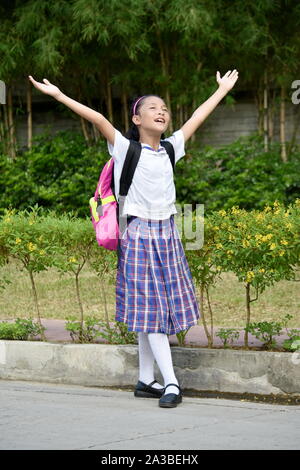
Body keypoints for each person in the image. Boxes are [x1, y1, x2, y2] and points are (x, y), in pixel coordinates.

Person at [28, 70, 239, 408]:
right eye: (153, 108)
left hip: (168, 233)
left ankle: (145, 379)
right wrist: (57, 94)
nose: (162, 112)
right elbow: (98, 118)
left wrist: (222, 90)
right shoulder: (125, 149)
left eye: (165, 109)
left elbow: (199, 115)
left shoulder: (171, 148)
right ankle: (171, 382)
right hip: (139, 234)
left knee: (149, 310)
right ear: (136, 118)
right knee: (153, 309)